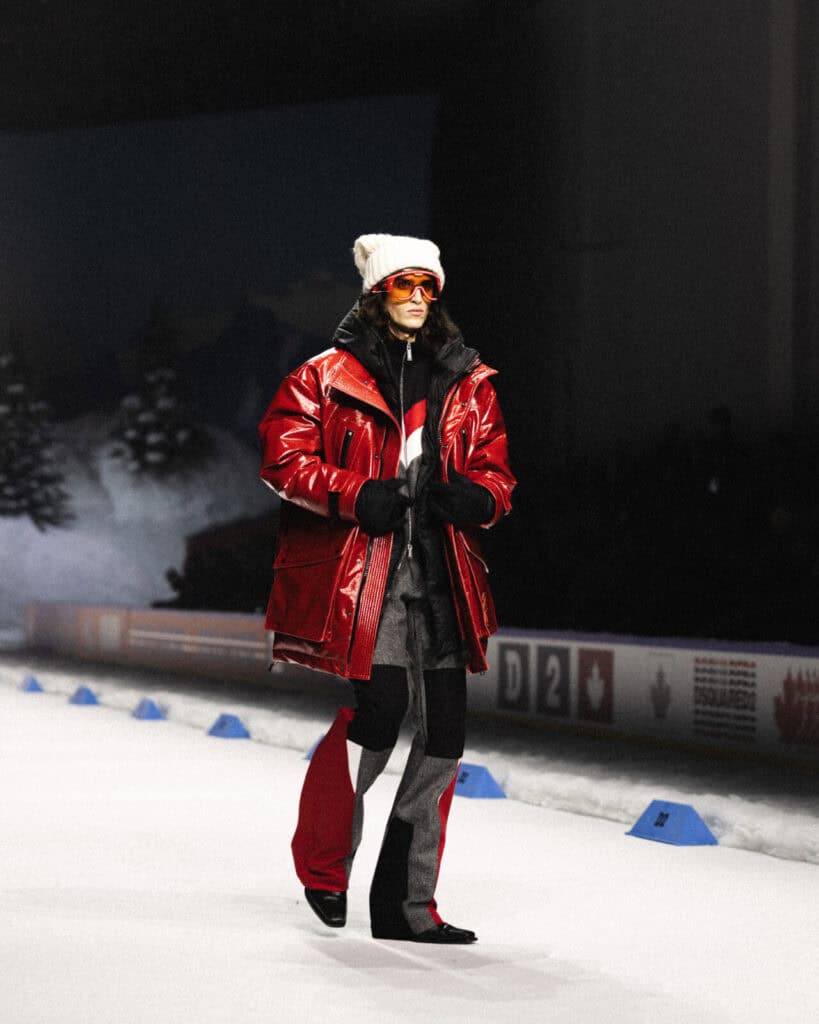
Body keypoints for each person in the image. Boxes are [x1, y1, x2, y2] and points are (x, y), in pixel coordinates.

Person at [258, 233, 515, 943]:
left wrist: (478, 499)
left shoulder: (468, 382)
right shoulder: (324, 375)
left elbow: (497, 473)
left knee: (445, 738)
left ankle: (406, 907)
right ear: (376, 293)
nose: (415, 299)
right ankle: (323, 867)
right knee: (378, 715)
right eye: (402, 285)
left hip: (442, 574)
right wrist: (351, 493)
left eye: (426, 287)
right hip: (360, 571)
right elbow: (282, 458)